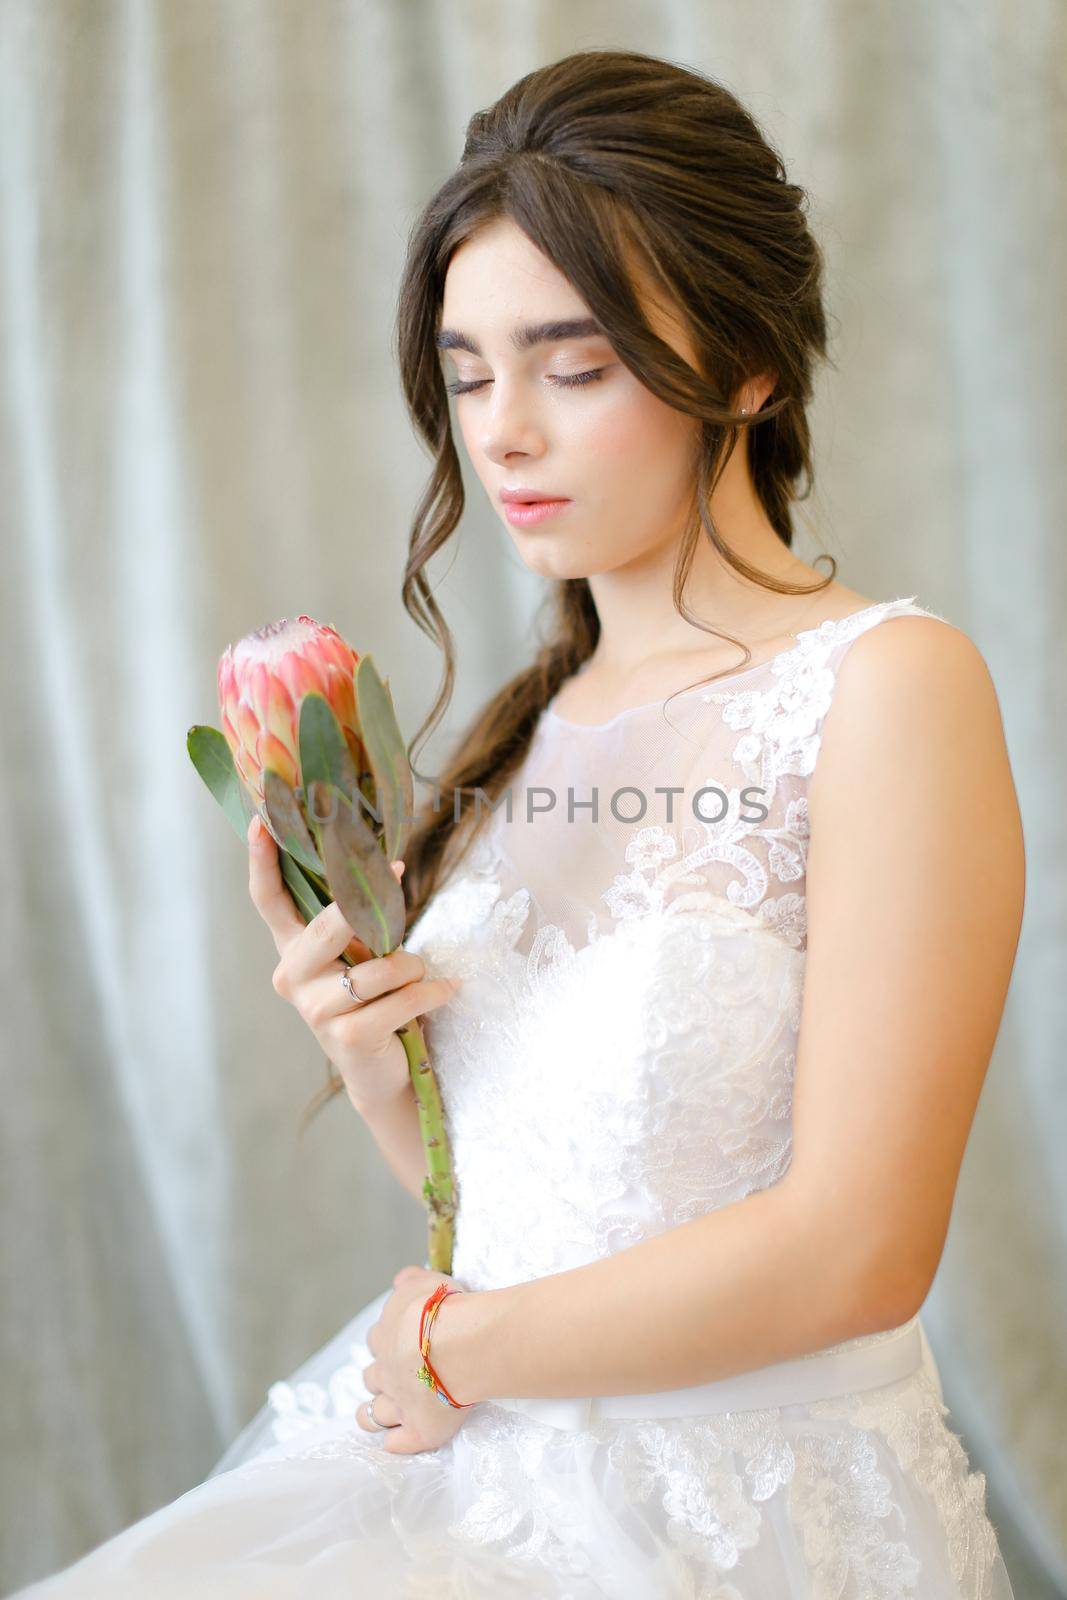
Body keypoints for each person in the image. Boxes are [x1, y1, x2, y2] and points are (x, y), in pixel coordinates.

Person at [14, 45, 1023, 1600]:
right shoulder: (526, 727)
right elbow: (529, 1193)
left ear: (748, 368)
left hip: (736, 1514)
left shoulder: (889, 688)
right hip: (477, 1454)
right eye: (470, 371)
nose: (502, 435)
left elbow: (859, 1247)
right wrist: (369, 1058)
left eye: (575, 364)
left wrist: (451, 1341)